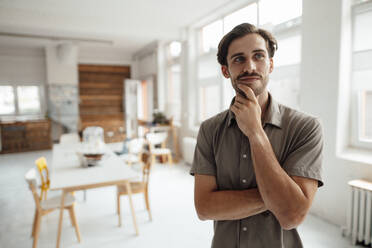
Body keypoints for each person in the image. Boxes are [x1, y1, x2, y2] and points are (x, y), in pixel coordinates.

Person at [190, 23, 323, 248]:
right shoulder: (209, 130)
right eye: (238, 59)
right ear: (226, 70)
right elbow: (204, 208)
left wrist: (255, 132)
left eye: (258, 56)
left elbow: (291, 217)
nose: (250, 66)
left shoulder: (306, 127)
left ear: (270, 64)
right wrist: (278, 199)